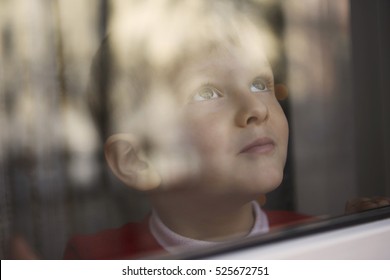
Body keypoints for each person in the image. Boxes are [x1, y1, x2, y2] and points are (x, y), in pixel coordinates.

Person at [63, 0, 310, 260]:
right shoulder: (94, 259)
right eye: (206, 92)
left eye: (259, 84)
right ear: (136, 160)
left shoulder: (323, 238)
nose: (257, 109)